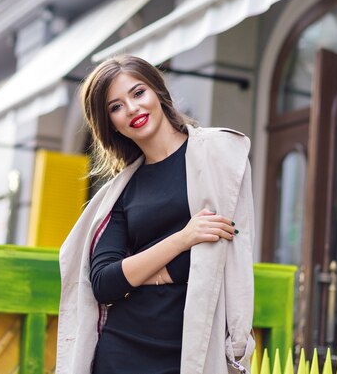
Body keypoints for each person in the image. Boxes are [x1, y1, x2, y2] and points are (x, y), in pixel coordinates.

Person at [56, 55, 255, 374]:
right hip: (121, 352)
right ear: (111, 124)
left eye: (138, 93)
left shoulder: (219, 156)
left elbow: (227, 248)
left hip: (192, 349)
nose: (132, 109)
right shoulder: (121, 192)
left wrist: (141, 274)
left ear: (158, 92)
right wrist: (183, 239)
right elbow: (105, 283)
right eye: (116, 107)